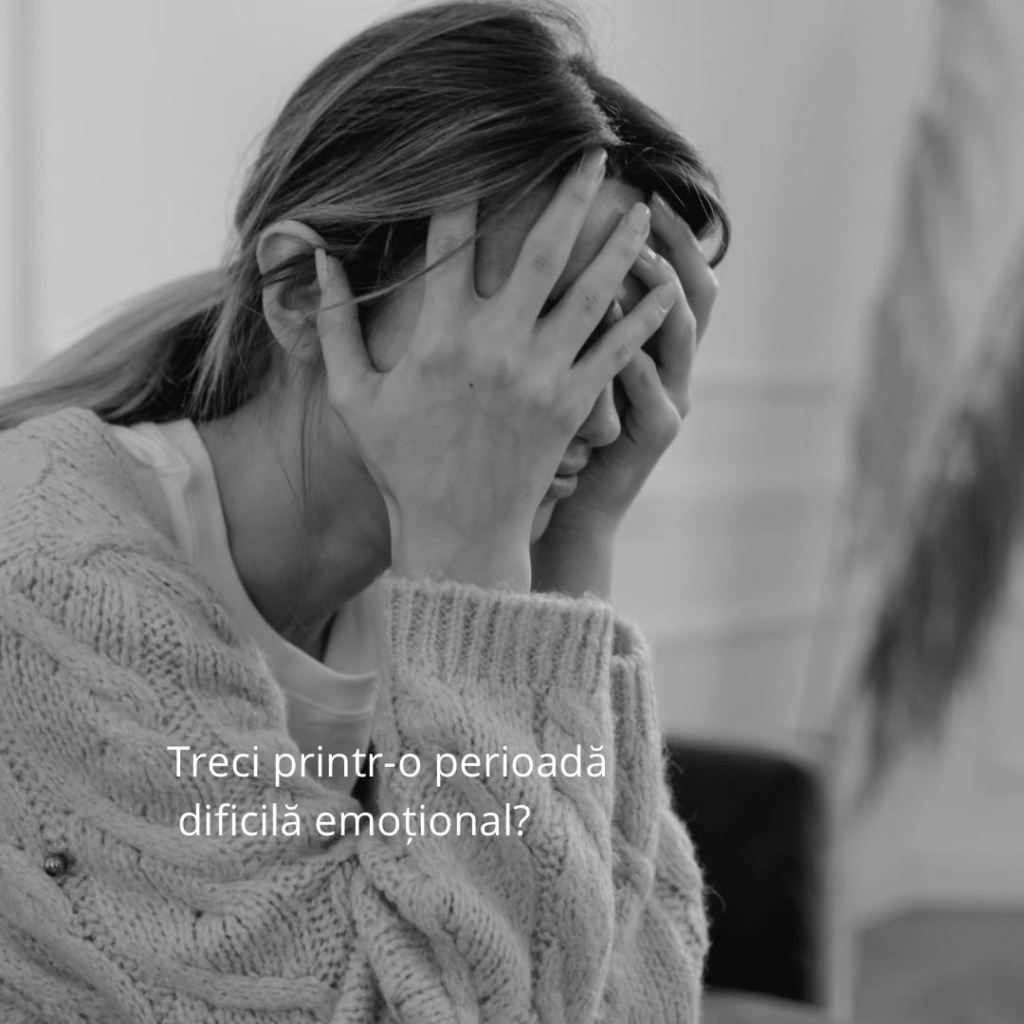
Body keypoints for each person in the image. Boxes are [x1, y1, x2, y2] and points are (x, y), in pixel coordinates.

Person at [0, 1, 729, 1021]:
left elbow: (632, 1001)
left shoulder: (441, 571)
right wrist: (488, 585)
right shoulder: (45, 580)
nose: (597, 414)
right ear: (305, 292)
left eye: (622, 344)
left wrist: (572, 551)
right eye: (538, 321)